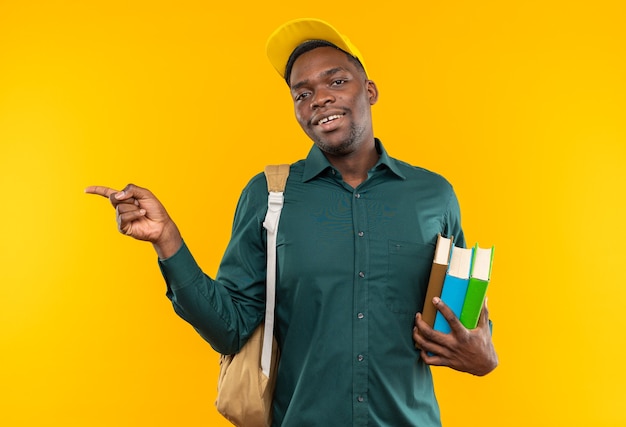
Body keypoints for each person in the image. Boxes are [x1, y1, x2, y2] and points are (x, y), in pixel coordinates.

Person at [86, 18, 497, 426]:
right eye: (302, 93)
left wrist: (483, 356)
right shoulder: (268, 195)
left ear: (369, 91)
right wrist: (168, 242)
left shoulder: (434, 196)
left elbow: (465, 324)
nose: (318, 99)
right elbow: (229, 330)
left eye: (336, 82)